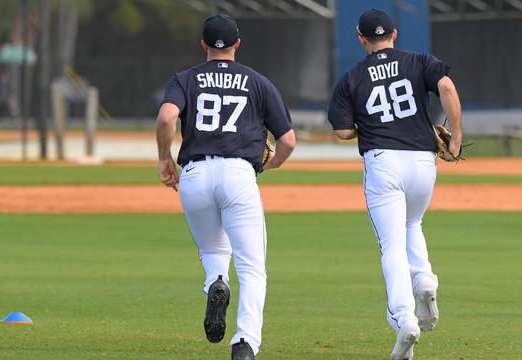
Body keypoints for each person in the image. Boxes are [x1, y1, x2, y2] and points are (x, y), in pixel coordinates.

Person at [156, 14, 296, 360]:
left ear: (203, 44)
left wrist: (164, 159)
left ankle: (217, 281)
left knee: (214, 252)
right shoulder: (257, 82)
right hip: (239, 172)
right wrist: (270, 163)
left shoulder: (185, 78)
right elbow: (288, 141)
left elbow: (166, 117)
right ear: (237, 43)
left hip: (195, 174)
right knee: (252, 267)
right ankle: (245, 343)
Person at [327, 9, 462, 360]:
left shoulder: (352, 76)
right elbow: (446, 85)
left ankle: (404, 319)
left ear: (361, 38)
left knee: (391, 245)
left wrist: (367, 124)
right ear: (394, 34)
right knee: (412, 223)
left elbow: (342, 131)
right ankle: (425, 281)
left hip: (383, 162)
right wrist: (457, 136)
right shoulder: (418, 61)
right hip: (421, 160)